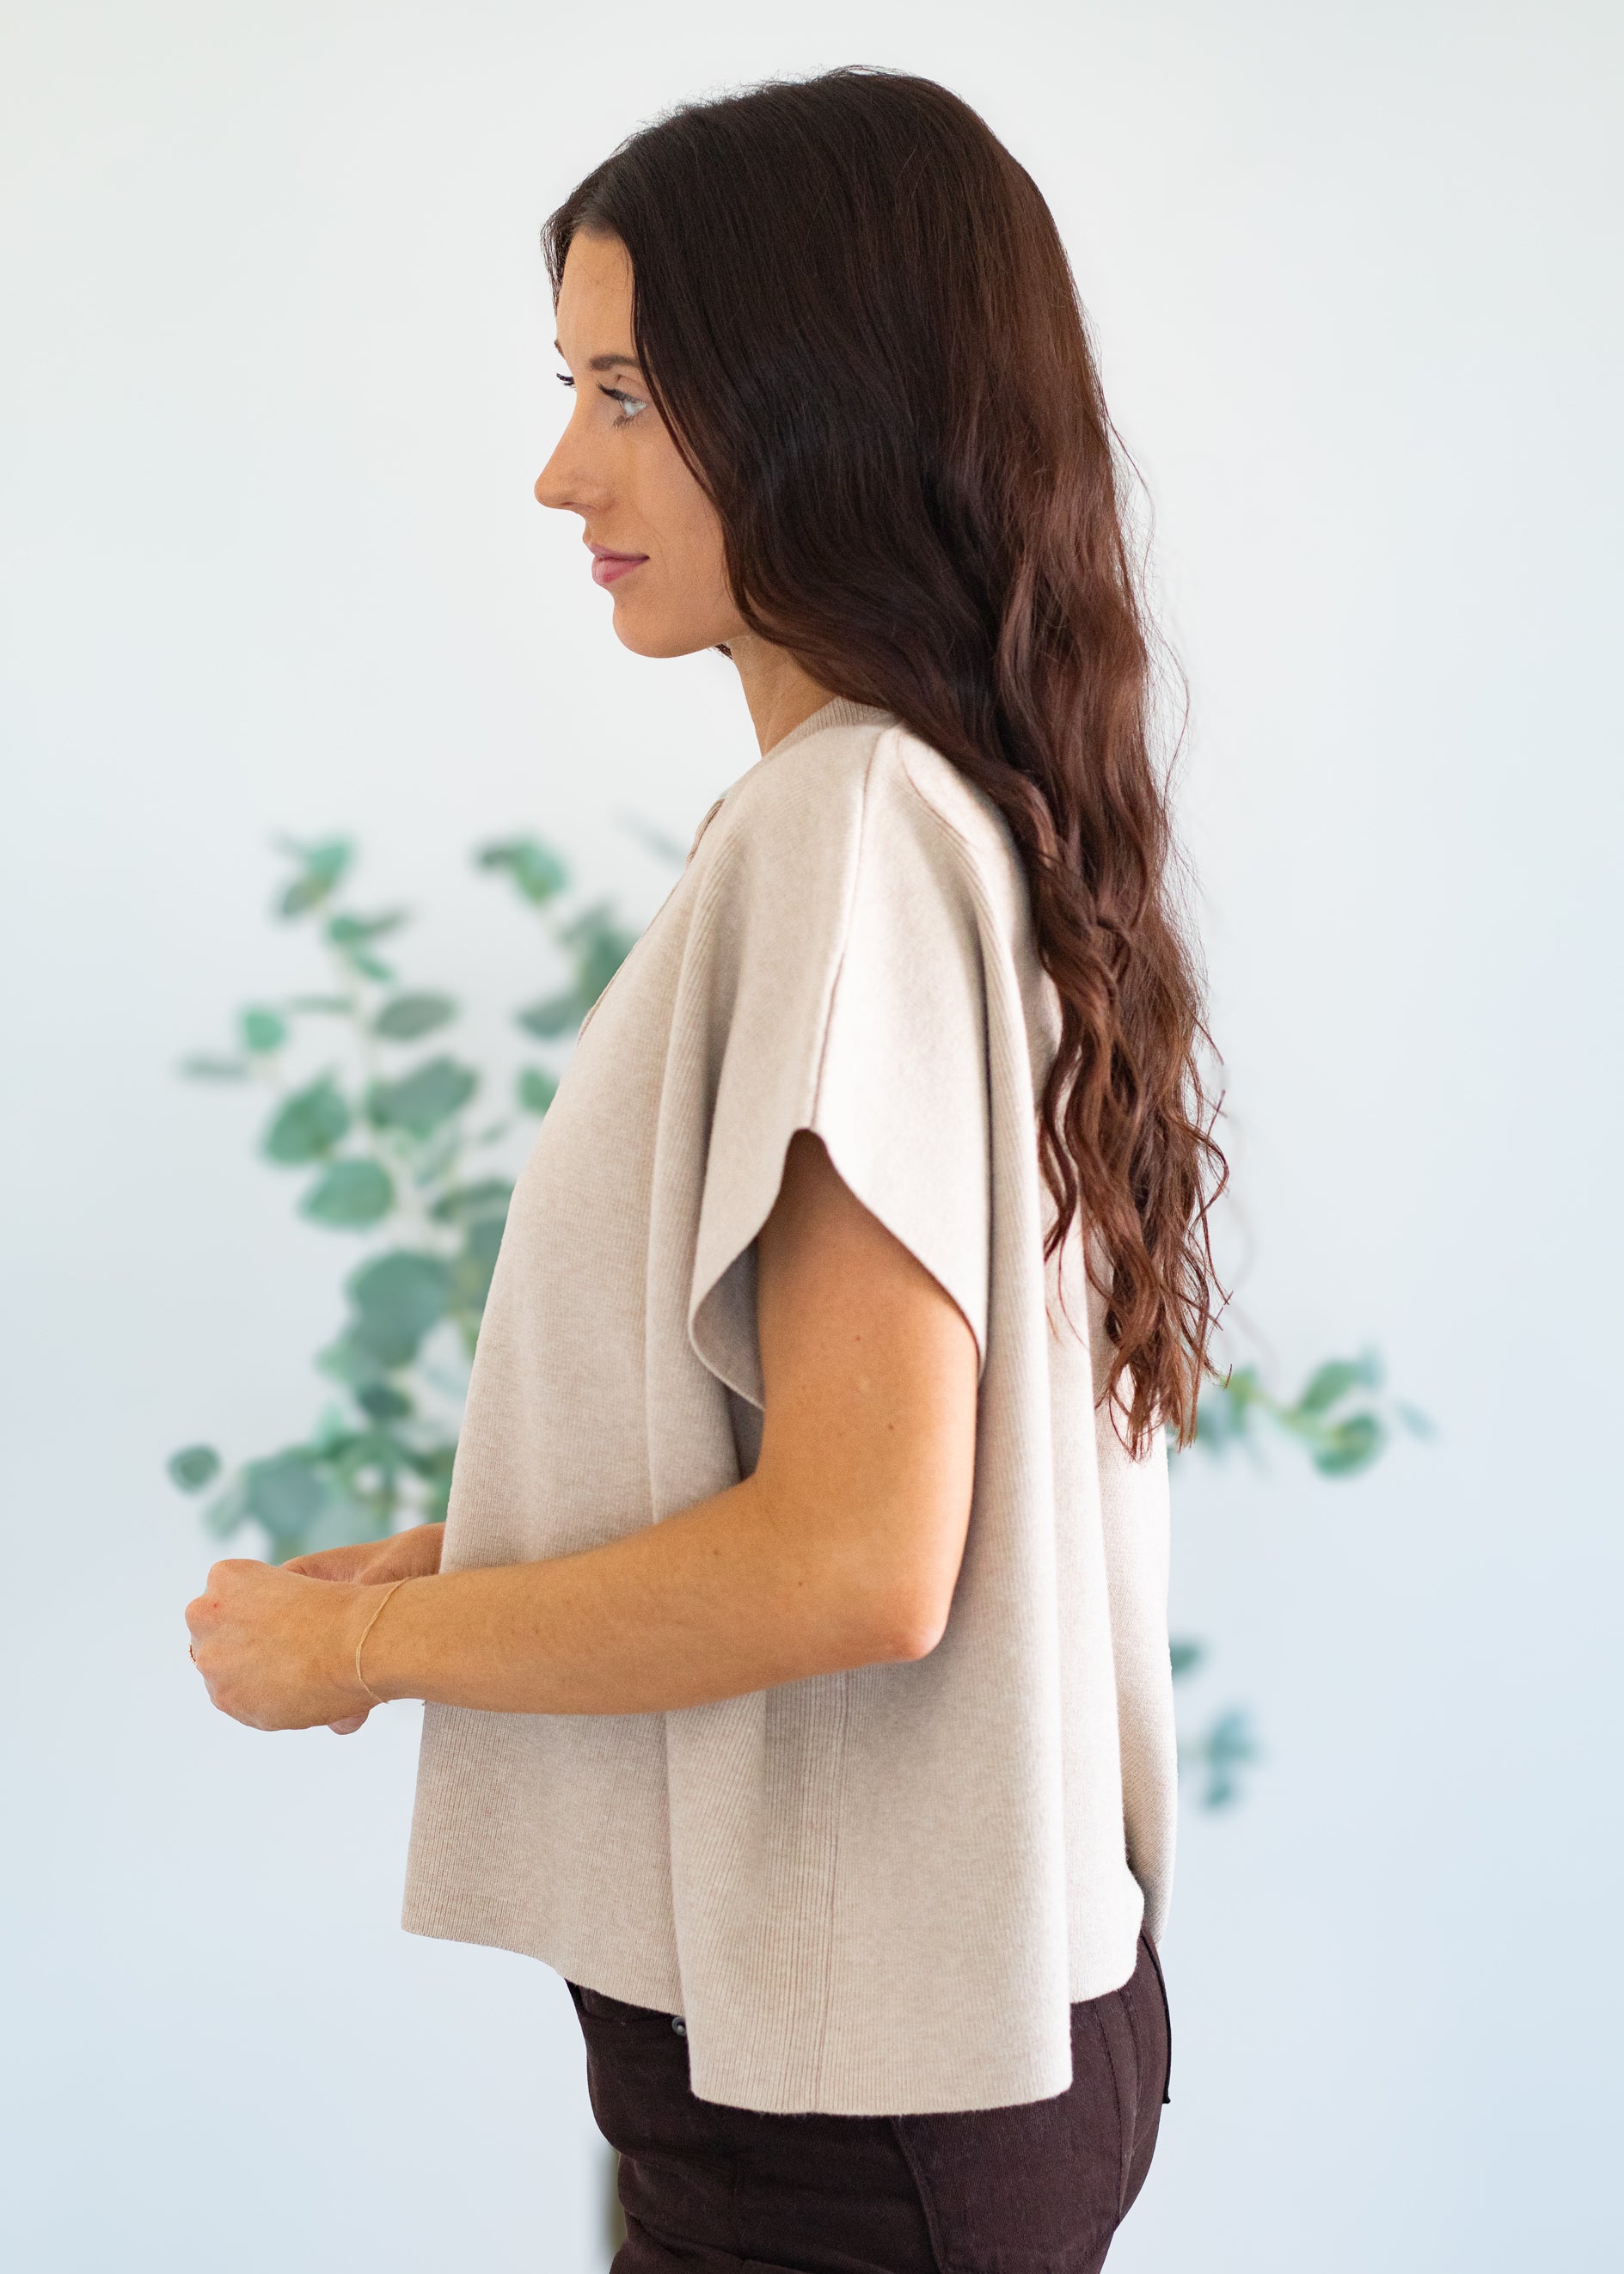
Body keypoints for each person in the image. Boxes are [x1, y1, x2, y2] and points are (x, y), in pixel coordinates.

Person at [186, 66, 1225, 2274]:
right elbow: (857, 1473)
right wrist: (440, 1569)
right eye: (570, 389)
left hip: (860, 2120)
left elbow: (855, 1558)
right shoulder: (962, 818)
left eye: (628, 397)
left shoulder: (846, 831)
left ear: (820, 402)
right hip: (972, 2051)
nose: (564, 468)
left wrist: (367, 1662)